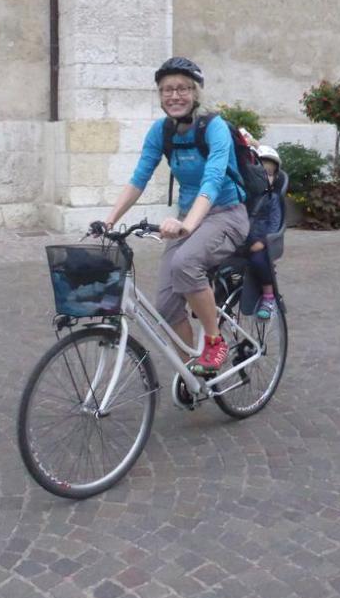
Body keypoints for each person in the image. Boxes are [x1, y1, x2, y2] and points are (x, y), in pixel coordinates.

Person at [102, 57, 250, 375]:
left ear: (195, 93)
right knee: (166, 306)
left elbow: (212, 180)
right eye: (166, 89)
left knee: (186, 263)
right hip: (189, 217)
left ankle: (214, 341)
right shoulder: (161, 131)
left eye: (183, 88)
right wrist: (109, 220)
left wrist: (187, 226)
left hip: (227, 214)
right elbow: (139, 178)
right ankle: (192, 374)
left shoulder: (215, 128)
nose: (174, 95)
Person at [247, 145, 283, 319]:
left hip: (263, 242)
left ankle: (269, 297)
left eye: (269, 174)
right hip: (243, 239)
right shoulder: (245, 196)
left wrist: (263, 241)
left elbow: (275, 223)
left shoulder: (273, 199)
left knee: (258, 260)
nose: (265, 177)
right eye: (260, 173)